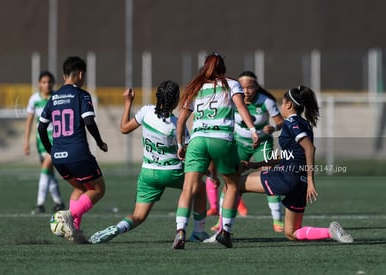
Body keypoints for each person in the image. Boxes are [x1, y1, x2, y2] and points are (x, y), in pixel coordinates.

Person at [89, 81, 209, 244]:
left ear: (157, 97)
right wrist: (205, 169)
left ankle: (117, 228)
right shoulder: (176, 124)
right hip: (173, 172)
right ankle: (197, 232)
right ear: (175, 102)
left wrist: (128, 102)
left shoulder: (146, 111)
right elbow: (189, 152)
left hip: (148, 173)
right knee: (200, 188)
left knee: (138, 216)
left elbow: (124, 128)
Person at [238, 85, 353, 243]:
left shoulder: (291, 122)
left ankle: (223, 231)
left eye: (282, 103)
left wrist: (312, 181)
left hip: (287, 177)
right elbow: (288, 154)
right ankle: (330, 232)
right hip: (300, 182)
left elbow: (309, 148)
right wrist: (255, 164)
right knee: (291, 232)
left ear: (288, 105)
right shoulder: (304, 124)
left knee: (236, 184)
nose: (281, 107)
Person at [172, 52, 259, 249]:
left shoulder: (195, 87)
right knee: (232, 185)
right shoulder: (231, 84)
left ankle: (180, 231)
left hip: (197, 140)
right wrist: (253, 130)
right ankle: (225, 232)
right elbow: (241, 107)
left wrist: (179, 145)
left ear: (205, 66)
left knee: (188, 189)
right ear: (223, 68)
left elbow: (180, 121)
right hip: (221, 139)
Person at [38, 56, 108, 243]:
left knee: (79, 187)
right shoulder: (82, 95)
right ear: (80, 74)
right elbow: (89, 121)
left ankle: (74, 230)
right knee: (98, 189)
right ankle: (68, 215)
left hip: (58, 157)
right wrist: (100, 142)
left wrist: (50, 150)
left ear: (63, 76)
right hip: (77, 153)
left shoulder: (53, 97)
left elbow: (41, 128)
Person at [209, 70, 285, 234]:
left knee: (270, 177)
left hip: (262, 144)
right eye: (242, 87)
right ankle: (221, 220)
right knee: (231, 181)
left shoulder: (266, 101)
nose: (246, 91)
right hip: (239, 144)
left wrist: (273, 127)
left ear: (256, 87)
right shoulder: (232, 99)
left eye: (250, 87)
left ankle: (277, 219)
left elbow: (280, 122)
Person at [24, 71, 65, 214]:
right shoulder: (34, 99)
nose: (47, 85)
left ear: (53, 83)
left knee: (46, 167)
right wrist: (26, 142)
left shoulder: (57, 97)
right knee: (49, 172)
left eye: (49, 82)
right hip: (40, 139)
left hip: (55, 138)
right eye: (44, 82)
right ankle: (59, 202)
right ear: (39, 84)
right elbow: (29, 121)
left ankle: (40, 203)